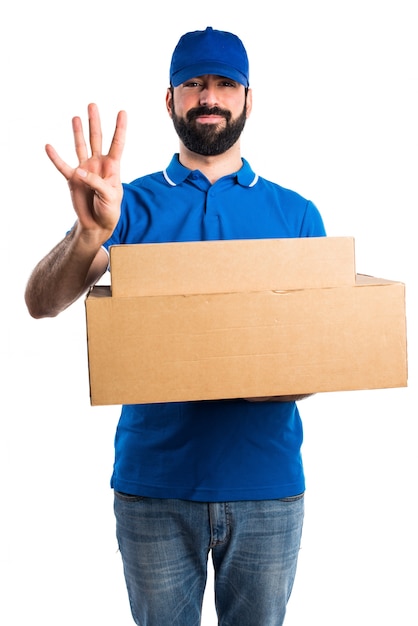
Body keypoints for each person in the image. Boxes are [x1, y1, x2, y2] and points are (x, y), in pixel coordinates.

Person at [25, 26, 326, 626]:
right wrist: (90, 233)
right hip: (153, 488)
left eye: (223, 84)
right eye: (193, 84)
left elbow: (317, 354)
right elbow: (42, 302)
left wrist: (247, 372)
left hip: (266, 487)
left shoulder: (295, 214)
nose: (208, 96)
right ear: (170, 100)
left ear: (247, 99)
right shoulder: (126, 204)